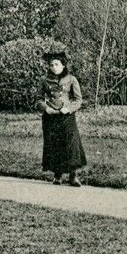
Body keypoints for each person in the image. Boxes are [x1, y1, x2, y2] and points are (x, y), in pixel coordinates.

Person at [37, 48, 87, 186]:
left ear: (63, 65)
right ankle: (57, 175)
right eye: (51, 65)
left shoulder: (71, 79)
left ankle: (73, 176)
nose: (54, 68)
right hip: (50, 117)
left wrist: (69, 109)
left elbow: (78, 100)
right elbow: (38, 99)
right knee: (54, 145)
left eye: (57, 64)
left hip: (66, 117)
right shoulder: (44, 80)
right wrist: (46, 108)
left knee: (71, 145)